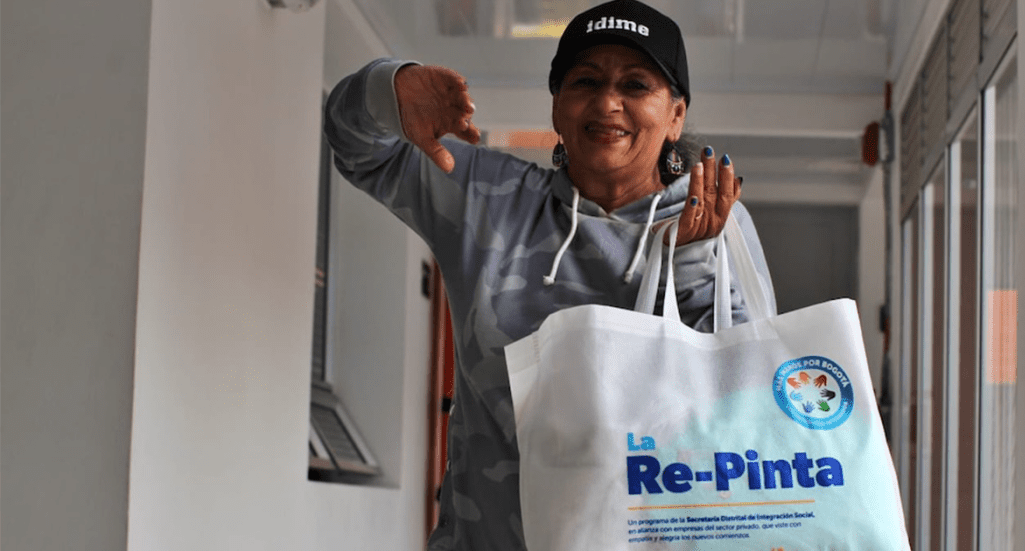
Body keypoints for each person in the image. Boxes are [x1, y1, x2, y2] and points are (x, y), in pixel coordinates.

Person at [324, 0, 776, 548]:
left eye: (636, 85)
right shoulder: (488, 199)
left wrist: (688, 262)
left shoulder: (712, 217)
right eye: (585, 81)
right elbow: (359, 152)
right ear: (557, 107)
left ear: (676, 114)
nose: (608, 102)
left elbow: (743, 400)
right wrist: (386, 90)